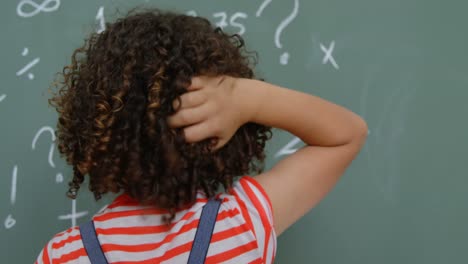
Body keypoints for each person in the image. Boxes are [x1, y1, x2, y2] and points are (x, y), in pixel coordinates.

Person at [35, 9, 367, 264]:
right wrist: (246, 98)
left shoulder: (65, 255)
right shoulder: (240, 227)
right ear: (219, 138)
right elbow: (346, 135)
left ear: (98, 132)